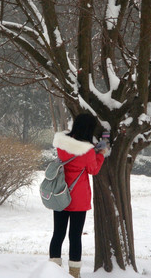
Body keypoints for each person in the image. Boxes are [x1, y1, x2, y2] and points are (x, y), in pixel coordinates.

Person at [49, 113, 106, 278]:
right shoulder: (87, 151)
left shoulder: (62, 144)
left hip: (60, 194)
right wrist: (100, 153)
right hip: (78, 198)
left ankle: (53, 271)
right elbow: (93, 170)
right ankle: (74, 274)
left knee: (58, 234)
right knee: (75, 236)